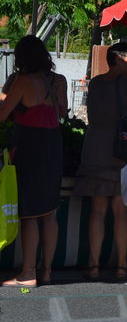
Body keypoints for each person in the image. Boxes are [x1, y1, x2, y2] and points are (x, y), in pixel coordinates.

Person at [75, 43, 127, 282]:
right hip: (121, 149)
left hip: (94, 149)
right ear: (118, 58)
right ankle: (122, 266)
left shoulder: (96, 83)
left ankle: (93, 266)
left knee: (97, 210)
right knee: (121, 211)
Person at [0, 36, 67, 286]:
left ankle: (28, 273)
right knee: (49, 212)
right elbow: (63, 111)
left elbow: (3, 115)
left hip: (30, 146)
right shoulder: (58, 81)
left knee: (29, 213)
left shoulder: (23, 80)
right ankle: (47, 270)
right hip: (53, 145)